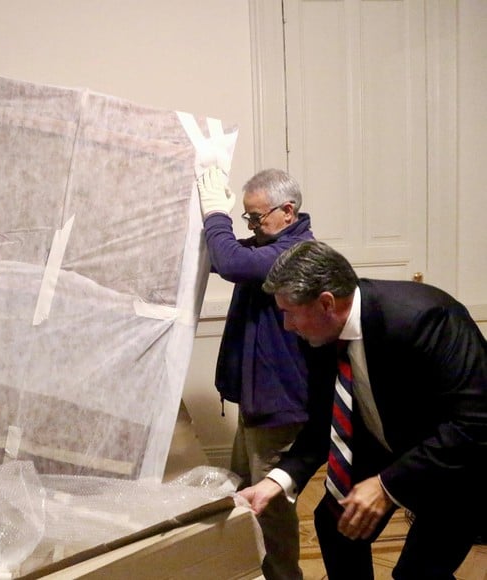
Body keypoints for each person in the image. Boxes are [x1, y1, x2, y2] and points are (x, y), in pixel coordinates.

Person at [239, 240, 487, 579]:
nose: (287, 325)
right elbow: (324, 420)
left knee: (417, 574)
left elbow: (475, 424)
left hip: (460, 466)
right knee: (335, 523)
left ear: (326, 303)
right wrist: (276, 481)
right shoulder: (321, 334)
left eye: (290, 312)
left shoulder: (424, 318)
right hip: (393, 448)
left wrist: (385, 486)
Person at [197, 166, 313, 580]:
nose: (251, 225)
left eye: (256, 217)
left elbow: (230, 262)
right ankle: (253, 570)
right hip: (257, 399)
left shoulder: (294, 254)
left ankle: (284, 577)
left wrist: (215, 214)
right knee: (243, 489)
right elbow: (218, 257)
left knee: (272, 509)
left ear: (288, 211)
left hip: (278, 404)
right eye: (246, 218)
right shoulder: (268, 245)